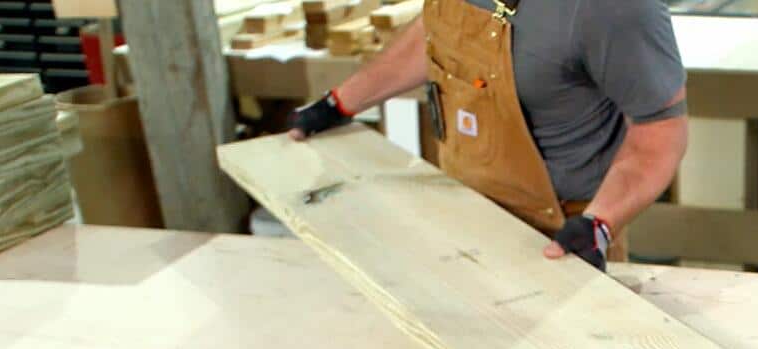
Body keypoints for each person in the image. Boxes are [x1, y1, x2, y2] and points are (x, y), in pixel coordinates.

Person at [288, 0, 688, 272]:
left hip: (563, 243)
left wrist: (600, 225)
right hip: (463, 219)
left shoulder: (614, 9)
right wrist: (340, 103)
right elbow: (443, 30)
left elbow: (660, 135)